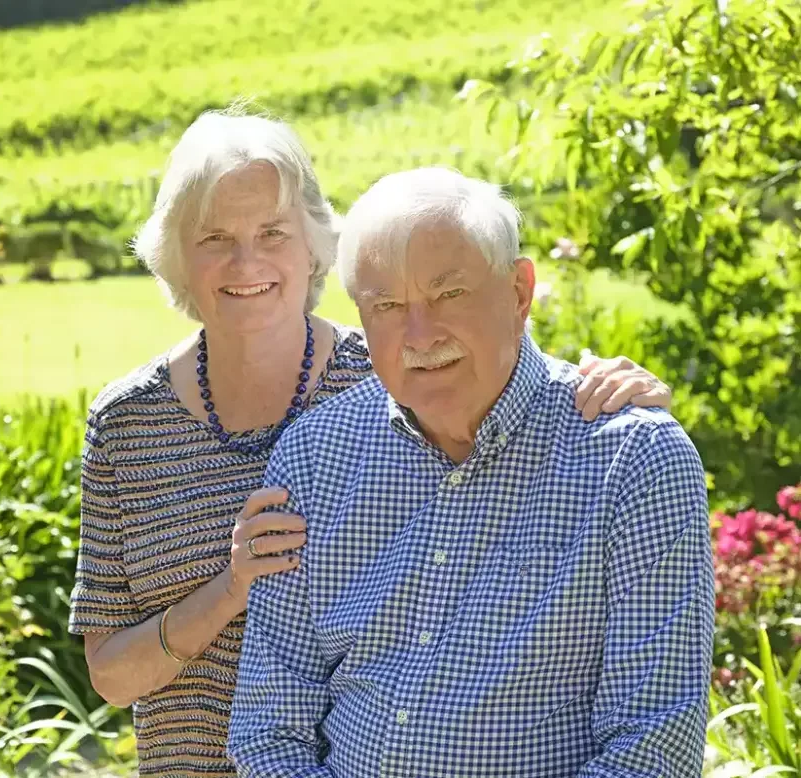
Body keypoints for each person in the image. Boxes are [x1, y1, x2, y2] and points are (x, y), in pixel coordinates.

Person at [67, 111, 675, 778]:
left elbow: (486, 357)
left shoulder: (388, 372)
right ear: (179, 253)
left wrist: (613, 397)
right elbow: (112, 675)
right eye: (216, 237)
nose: (248, 262)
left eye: (272, 232)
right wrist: (232, 586)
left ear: (312, 246)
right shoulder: (131, 422)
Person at [228, 166, 715, 778]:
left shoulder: (632, 461)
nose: (420, 334)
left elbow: (651, 751)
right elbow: (270, 729)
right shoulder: (313, 456)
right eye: (387, 305)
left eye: (448, 294)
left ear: (519, 292)